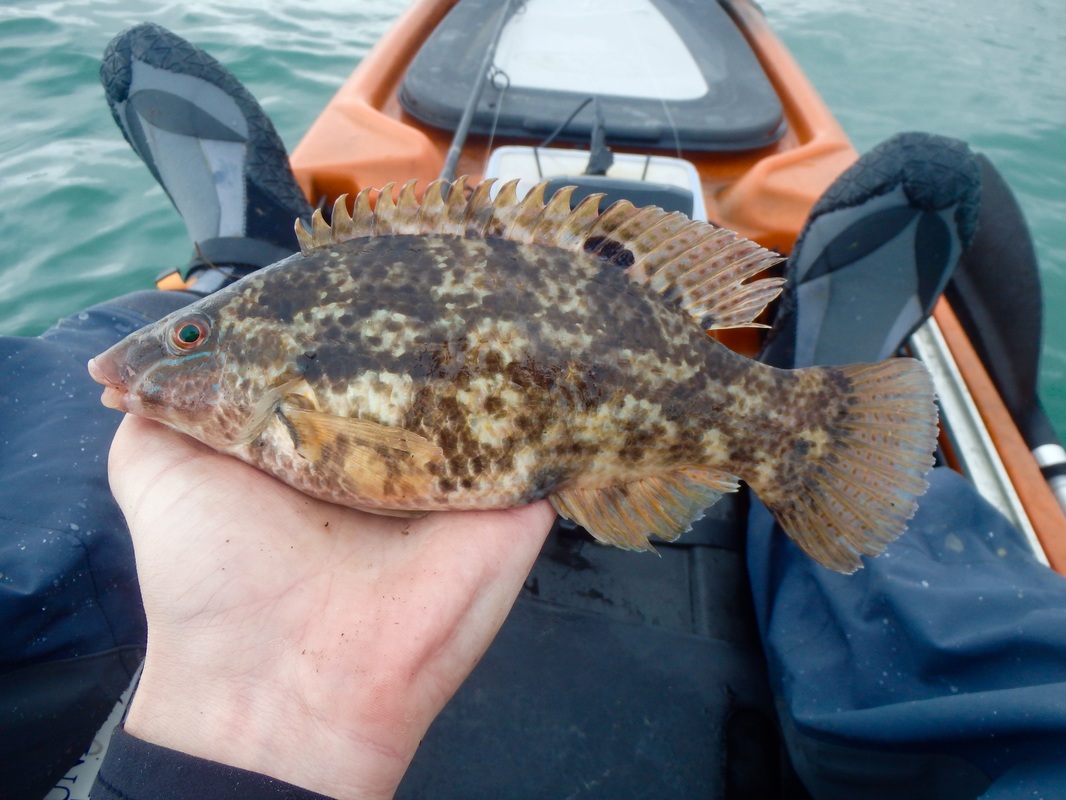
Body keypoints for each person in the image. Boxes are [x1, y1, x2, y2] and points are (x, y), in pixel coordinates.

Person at [3, 21, 1065, 800]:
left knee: (44, 430)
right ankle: (828, 350)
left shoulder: (268, 383)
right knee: (975, 637)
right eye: (193, 335)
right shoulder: (257, 390)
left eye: (192, 344)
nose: (135, 365)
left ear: (255, 351)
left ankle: (240, 257)